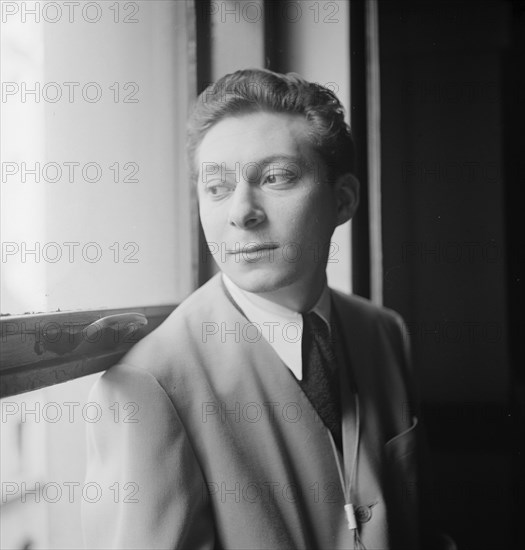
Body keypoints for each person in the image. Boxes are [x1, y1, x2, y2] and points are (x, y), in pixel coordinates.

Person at [82, 69, 451, 549]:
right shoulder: (146, 387)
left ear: (343, 200)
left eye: (275, 177)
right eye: (216, 187)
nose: (240, 212)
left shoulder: (384, 331)